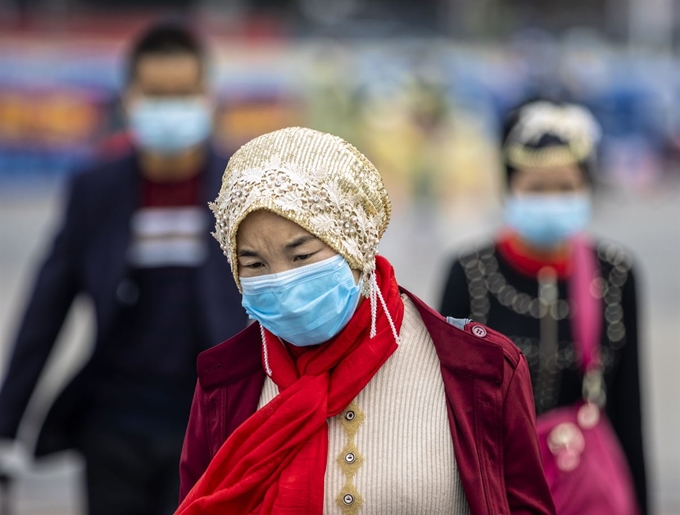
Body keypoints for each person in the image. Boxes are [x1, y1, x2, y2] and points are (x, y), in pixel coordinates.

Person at [175, 126, 555, 514]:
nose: (282, 279)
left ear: (353, 245)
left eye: (302, 256)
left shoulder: (478, 371)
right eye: (255, 264)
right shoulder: (226, 387)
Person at [0, 21, 246, 515]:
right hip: (112, 428)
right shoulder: (96, 190)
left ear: (208, 96)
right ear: (129, 99)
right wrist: (6, 429)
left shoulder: (242, 186)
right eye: (156, 94)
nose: (171, 108)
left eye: (183, 93)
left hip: (210, 425)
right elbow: (45, 309)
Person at [439, 100, 648, 513]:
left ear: (587, 189)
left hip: (585, 485)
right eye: (536, 188)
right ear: (509, 189)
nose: (552, 199)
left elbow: (628, 410)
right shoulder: (469, 272)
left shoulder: (616, 274)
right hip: (493, 485)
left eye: (566, 187)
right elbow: (443, 407)